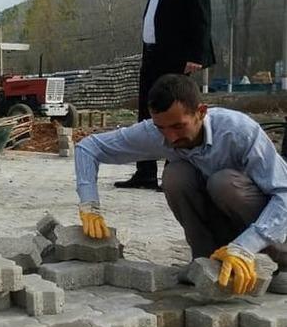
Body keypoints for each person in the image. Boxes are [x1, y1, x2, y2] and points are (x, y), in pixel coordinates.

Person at [76, 74, 287, 295]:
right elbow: (88, 148)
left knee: (223, 183)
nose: (171, 137)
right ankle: (206, 263)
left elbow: (284, 194)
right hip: (225, 224)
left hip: (272, 225)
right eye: (162, 128)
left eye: (178, 126)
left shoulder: (238, 132)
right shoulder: (159, 132)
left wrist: (246, 246)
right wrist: (89, 204)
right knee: (175, 175)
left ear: (201, 112)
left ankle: (279, 263)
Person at [115, 0, 215, 191]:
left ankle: (174, 173)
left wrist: (197, 55)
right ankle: (145, 172)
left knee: (173, 113)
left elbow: (201, 17)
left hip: (177, 59)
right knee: (146, 112)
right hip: (152, 56)